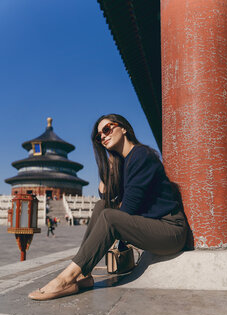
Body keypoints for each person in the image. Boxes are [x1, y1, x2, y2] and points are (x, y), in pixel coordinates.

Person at [29, 114, 188, 301]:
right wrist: (110, 167)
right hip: (153, 226)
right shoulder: (124, 161)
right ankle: (83, 275)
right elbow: (107, 198)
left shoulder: (141, 155)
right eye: (99, 136)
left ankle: (67, 279)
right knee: (101, 206)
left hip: (170, 230)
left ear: (124, 128)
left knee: (109, 216)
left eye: (107, 129)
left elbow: (126, 210)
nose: (103, 136)